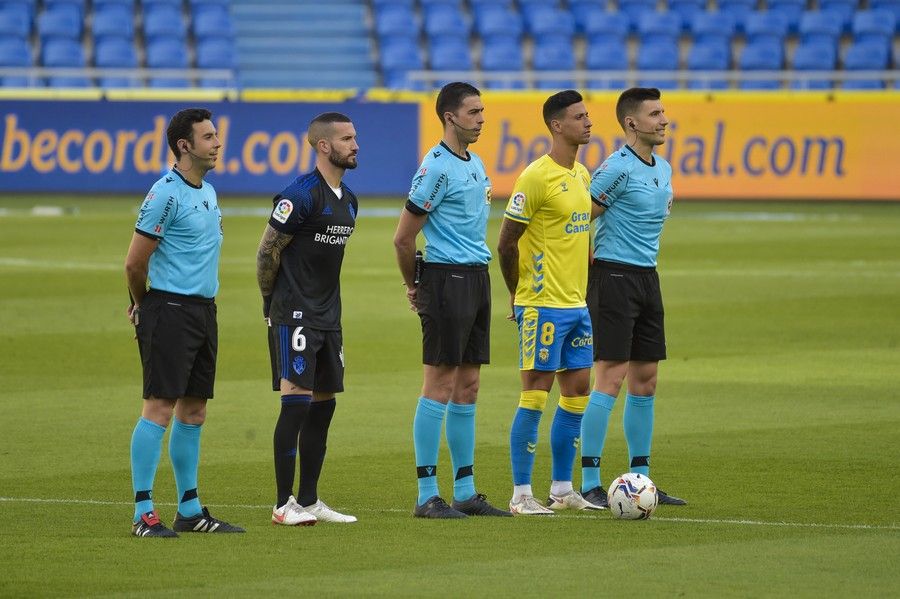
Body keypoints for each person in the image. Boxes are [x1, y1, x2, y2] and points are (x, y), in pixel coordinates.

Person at [393, 82, 510, 519]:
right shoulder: (435, 168)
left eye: (483, 111)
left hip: (477, 279)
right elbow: (403, 239)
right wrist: (415, 285)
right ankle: (427, 494)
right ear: (449, 117)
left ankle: (465, 490)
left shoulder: (475, 163)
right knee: (439, 384)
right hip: (445, 279)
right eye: (473, 112)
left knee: (469, 386)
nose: (481, 118)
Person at [125, 107, 244, 537]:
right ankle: (143, 512)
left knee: (193, 411)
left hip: (202, 311)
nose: (217, 143)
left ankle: (190, 510)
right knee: (158, 408)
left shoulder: (207, 192)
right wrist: (143, 307)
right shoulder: (164, 193)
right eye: (209, 136)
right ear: (184, 145)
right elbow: (135, 264)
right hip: (169, 311)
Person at [579, 87, 686, 508]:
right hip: (612, 277)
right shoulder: (614, 169)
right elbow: (577, 218)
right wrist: (584, 266)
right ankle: (590, 481)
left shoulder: (664, 168)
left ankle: (640, 480)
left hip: (646, 279)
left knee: (646, 380)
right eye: (655, 114)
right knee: (611, 377)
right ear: (631, 123)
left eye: (664, 112)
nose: (663, 120)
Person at [498, 90, 603, 516]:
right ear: (557, 126)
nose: (588, 123)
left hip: (576, 305)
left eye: (588, 115)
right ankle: (521, 494)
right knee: (535, 395)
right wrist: (518, 293)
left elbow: (579, 234)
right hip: (542, 304)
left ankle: (561, 488)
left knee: (577, 393)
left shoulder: (581, 174)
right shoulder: (535, 177)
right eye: (579, 117)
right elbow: (506, 243)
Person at [256, 112, 361, 526]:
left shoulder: (350, 200)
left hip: (328, 317)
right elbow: (267, 252)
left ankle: (310, 499)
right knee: (295, 402)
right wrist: (273, 304)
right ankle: (284, 504)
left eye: (355, 138)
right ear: (323, 146)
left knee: (324, 405)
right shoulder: (298, 196)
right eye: (347, 139)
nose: (355, 145)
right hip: (294, 313)